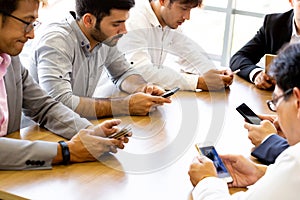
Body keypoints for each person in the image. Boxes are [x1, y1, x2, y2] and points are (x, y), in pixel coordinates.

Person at [0, 0, 131, 170]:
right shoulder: (56, 38)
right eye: (27, 23)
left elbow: (44, 107)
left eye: (33, 24)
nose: (32, 34)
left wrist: (89, 132)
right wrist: (66, 151)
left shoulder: (11, 60)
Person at [188, 42, 300, 199]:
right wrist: (260, 173)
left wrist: (206, 181)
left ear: (297, 101)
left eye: (275, 102)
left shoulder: (295, 161)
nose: (277, 118)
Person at [27, 0, 171, 119]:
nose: (124, 31)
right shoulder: (56, 41)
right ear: (89, 20)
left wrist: (144, 88)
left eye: (124, 22)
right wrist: (125, 105)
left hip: (77, 126)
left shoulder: (104, 38)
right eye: (116, 24)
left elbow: (123, 73)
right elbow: (60, 103)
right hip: (37, 134)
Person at [117, 0, 234, 91]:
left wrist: (213, 72)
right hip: (116, 101)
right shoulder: (134, 18)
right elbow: (142, 71)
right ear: (163, 1)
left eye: (190, 10)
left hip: (144, 99)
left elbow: (188, 56)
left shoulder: (169, 22)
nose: (187, 17)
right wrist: (198, 82)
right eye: (184, 8)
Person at [230, 0, 299, 90]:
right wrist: (257, 74)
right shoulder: (274, 24)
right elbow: (239, 58)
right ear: (291, 2)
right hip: (276, 98)